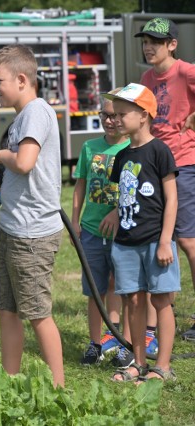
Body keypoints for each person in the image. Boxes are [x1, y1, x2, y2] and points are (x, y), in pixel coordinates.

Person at [0, 44, 65, 387]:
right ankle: (8, 384)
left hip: (33, 235)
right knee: (7, 309)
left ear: (22, 79)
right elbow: (23, 176)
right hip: (12, 227)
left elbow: (24, 162)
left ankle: (58, 390)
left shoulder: (36, 112)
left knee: (38, 314)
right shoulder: (22, 117)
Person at [104, 83, 180, 382]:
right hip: (125, 243)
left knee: (161, 301)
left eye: (123, 114)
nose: (117, 119)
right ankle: (137, 362)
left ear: (144, 115)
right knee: (132, 302)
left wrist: (165, 241)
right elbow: (126, 195)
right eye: (115, 113)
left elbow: (171, 199)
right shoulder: (122, 156)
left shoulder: (159, 151)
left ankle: (162, 366)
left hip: (155, 241)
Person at [135, 18, 195, 342]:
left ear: (172, 44)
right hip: (153, 165)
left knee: (187, 241)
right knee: (157, 241)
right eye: (145, 41)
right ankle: (158, 320)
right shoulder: (146, 78)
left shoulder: (186, 72)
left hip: (184, 163)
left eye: (155, 42)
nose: (148, 47)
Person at [71, 90, 129, 365]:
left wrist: (118, 213)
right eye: (105, 115)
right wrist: (74, 222)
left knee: (121, 288)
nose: (110, 121)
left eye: (116, 115)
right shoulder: (89, 147)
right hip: (91, 230)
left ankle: (122, 342)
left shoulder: (131, 148)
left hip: (122, 233)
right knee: (95, 290)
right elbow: (80, 184)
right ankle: (95, 343)